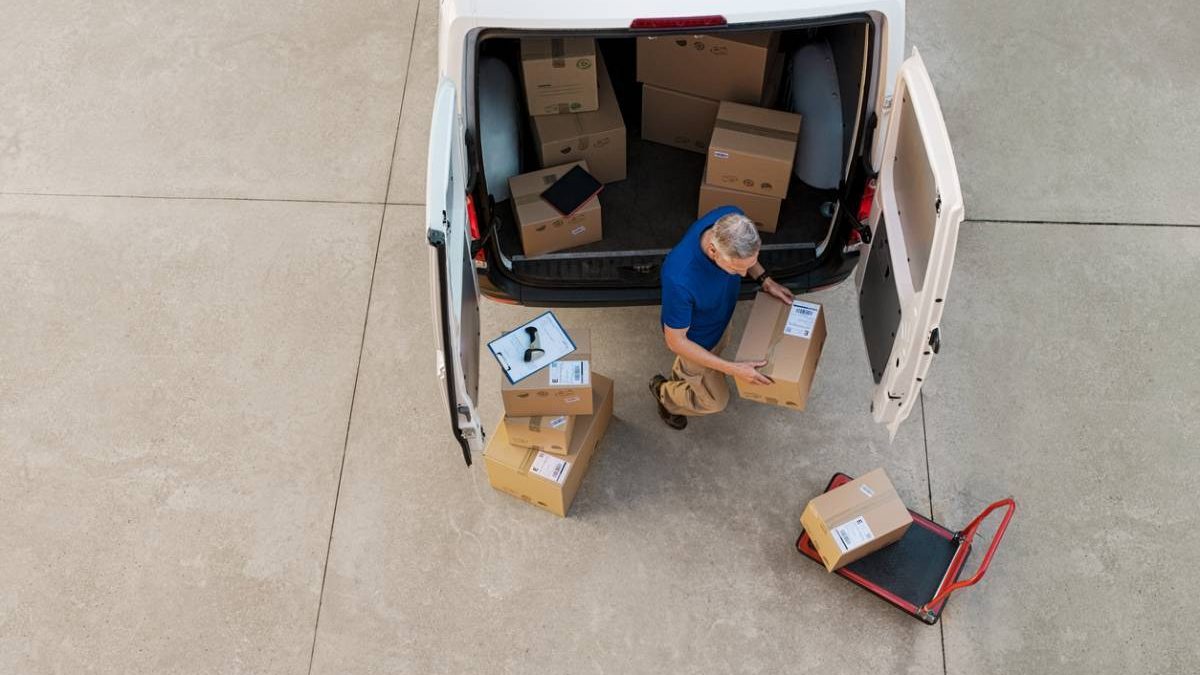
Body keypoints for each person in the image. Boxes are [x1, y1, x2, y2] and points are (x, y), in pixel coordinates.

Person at [649, 206, 795, 429]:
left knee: (708, 359)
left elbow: (746, 261)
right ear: (713, 250)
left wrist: (765, 280)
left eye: (748, 265)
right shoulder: (680, 278)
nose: (744, 274)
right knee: (715, 401)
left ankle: (684, 375)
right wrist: (733, 369)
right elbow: (675, 341)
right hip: (697, 341)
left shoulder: (733, 218)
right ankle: (665, 395)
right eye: (735, 268)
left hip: (720, 318)